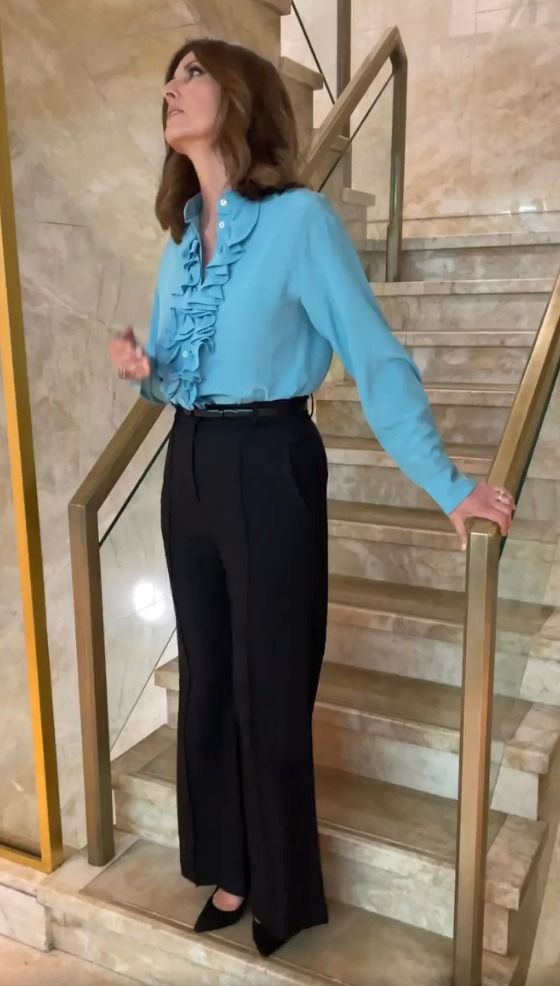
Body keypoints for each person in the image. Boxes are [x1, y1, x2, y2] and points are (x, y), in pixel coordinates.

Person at [108, 37, 515, 957]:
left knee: (269, 682)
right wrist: (145, 369)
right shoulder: (180, 243)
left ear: (241, 97)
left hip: (271, 458)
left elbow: (374, 357)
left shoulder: (299, 222)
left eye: (193, 73)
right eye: (169, 74)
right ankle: (230, 862)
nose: (171, 87)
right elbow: (177, 372)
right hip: (191, 462)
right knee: (209, 679)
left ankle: (282, 888)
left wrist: (448, 486)